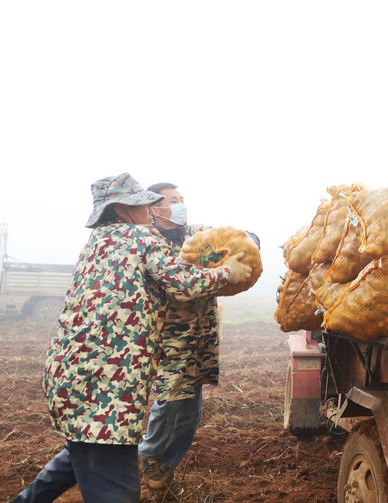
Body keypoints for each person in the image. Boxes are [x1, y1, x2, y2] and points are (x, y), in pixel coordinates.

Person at [10, 173, 252, 503]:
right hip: (107, 384)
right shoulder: (141, 237)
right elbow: (183, 283)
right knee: (117, 487)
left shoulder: (97, 241)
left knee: (83, 451)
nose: (150, 211)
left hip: (71, 374)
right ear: (122, 210)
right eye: (143, 205)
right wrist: (228, 272)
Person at [138, 182, 260, 490]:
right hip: (170, 334)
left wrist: (248, 243)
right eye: (172, 200)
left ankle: (166, 466)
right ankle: (150, 454)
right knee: (170, 398)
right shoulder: (150, 243)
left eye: (181, 198)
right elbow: (181, 284)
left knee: (191, 404)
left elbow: (236, 237)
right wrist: (222, 270)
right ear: (154, 208)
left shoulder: (196, 233)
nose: (180, 204)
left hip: (202, 332)